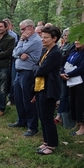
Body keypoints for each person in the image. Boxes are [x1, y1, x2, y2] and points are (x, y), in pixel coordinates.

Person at [8, 19, 42, 136]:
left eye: (23, 29)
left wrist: (21, 41)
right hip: (19, 72)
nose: (21, 32)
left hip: (28, 72)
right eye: (21, 29)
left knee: (28, 99)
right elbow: (14, 53)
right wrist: (18, 54)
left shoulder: (35, 40)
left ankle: (32, 127)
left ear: (31, 28)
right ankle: (21, 120)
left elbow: (19, 50)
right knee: (18, 98)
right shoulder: (25, 40)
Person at [33, 26, 62, 155]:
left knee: (47, 117)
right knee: (42, 116)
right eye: (42, 37)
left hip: (49, 88)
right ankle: (46, 141)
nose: (42, 39)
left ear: (54, 38)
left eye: (46, 37)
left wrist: (37, 69)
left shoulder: (55, 53)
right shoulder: (46, 51)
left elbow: (40, 70)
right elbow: (37, 66)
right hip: (40, 87)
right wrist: (37, 69)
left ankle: (52, 144)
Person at [61, 40, 84, 136]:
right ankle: (77, 123)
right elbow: (66, 62)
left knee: (81, 105)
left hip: (82, 83)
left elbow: (82, 68)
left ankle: (83, 128)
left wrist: (67, 74)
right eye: (75, 40)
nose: (77, 42)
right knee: (74, 103)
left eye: (79, 40)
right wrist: (63, 72)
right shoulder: (74, 52)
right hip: (72, 82)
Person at [54, 28, 76, 127]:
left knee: (65, 96)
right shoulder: (62, 45)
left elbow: (66, 58)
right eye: (65, 35)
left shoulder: (73, 46)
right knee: (62, 95)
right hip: (61, 72)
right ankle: (60, 115)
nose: (66, 37)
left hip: (68, 74)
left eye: (68, 35)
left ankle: (60, 116)